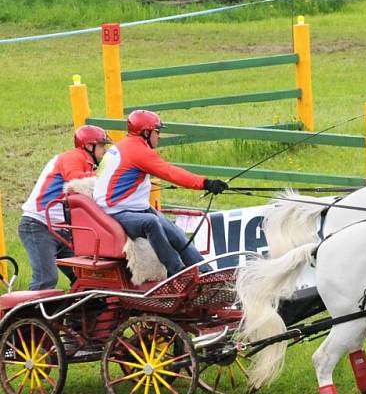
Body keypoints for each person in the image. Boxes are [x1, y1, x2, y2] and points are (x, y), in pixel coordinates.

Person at [93, 110, 229, 277]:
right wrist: (206, 183)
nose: (159, 136)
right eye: (157, 131)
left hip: (135, 208)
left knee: (176, 233)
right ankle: (177, 274)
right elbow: (170, 172)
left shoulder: (126, 146)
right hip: (115, 212)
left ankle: (207, 274)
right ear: (146, 132)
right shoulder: (137, 151)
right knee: (151, 222)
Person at [19, 125, 113, 290]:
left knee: (85, 277)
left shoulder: (88, 164)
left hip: (61, 228)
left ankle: (81, 313)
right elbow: (75, 180)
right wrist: (108, 177)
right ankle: (27, 316)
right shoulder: (73, 156)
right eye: (101, 146)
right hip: (39, 225)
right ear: (89, 146)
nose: (104, 151)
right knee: (45, 279)